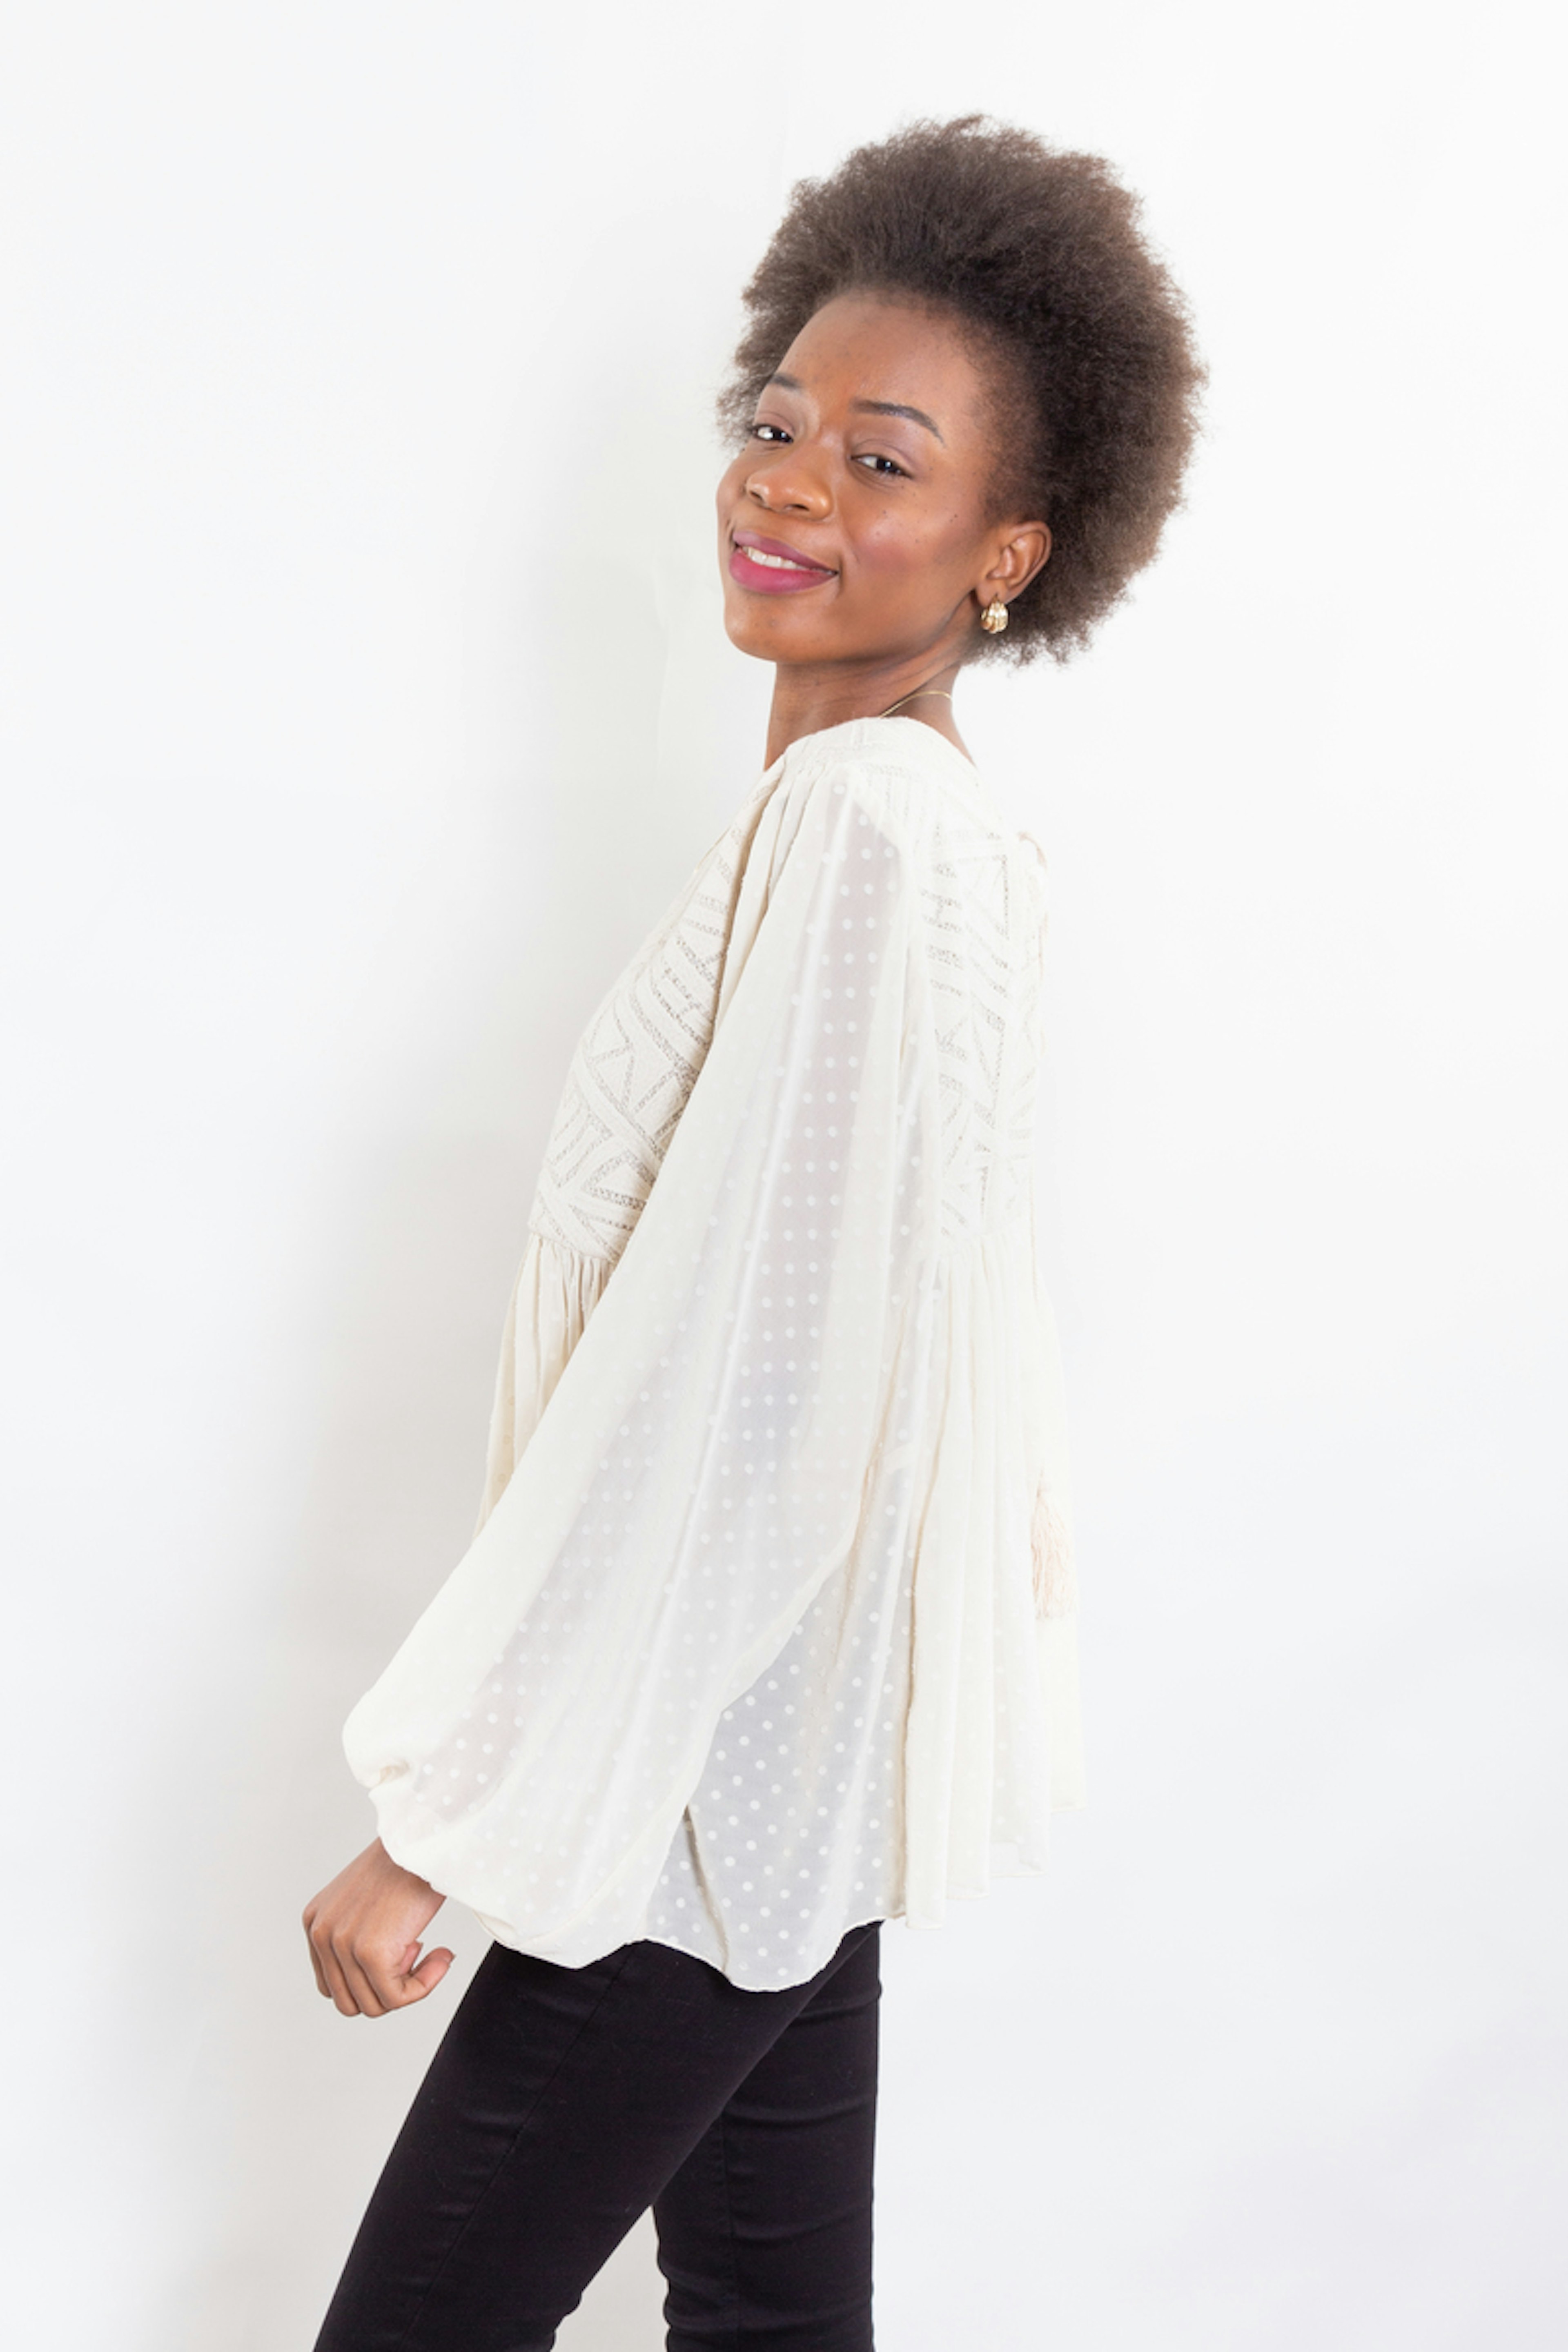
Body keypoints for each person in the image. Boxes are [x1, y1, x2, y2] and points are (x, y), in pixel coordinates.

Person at [302, 114, 1201, 2352]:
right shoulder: (902, 832)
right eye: (779, 424)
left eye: (881, 462)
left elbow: (754, 1404)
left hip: (692, 1808)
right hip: (783, 1786)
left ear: (1009, 552)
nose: (789, 487)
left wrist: (462, 1819)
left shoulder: (874, 838)